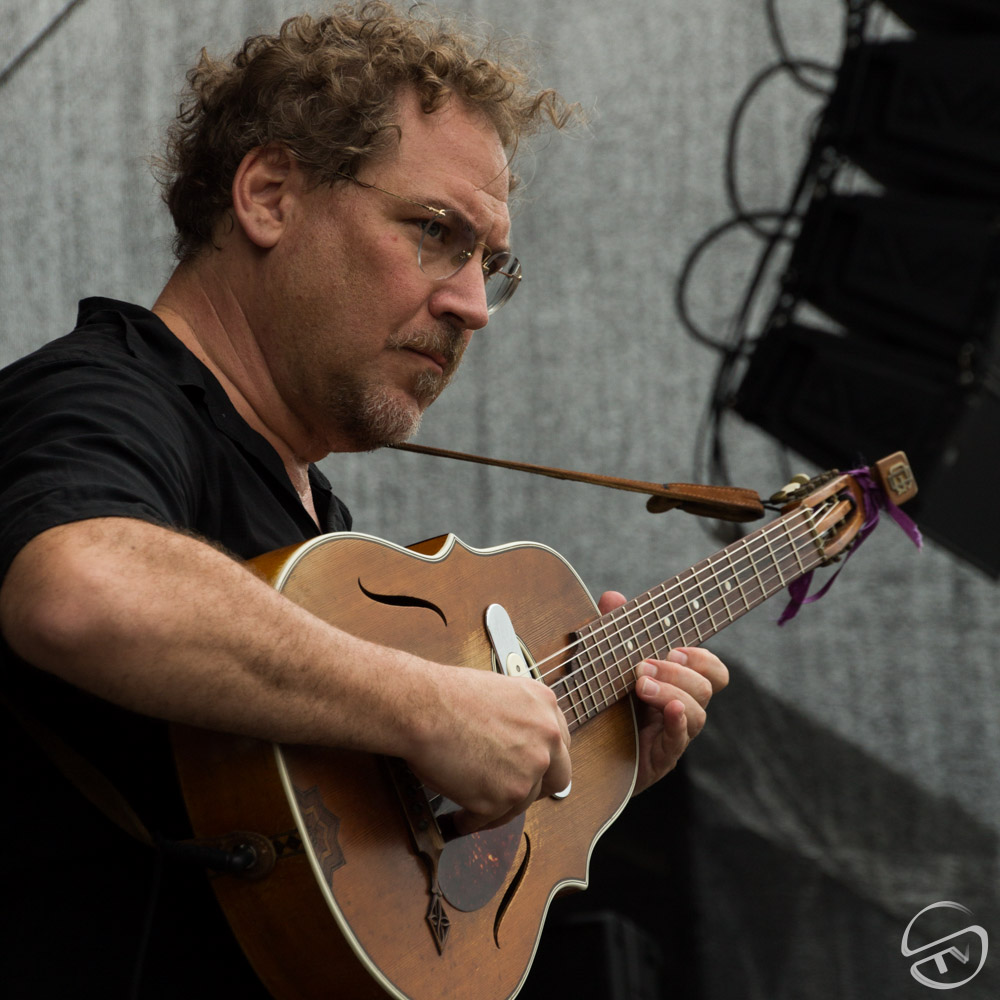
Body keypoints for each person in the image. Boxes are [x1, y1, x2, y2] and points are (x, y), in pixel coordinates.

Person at [0, 2, 728, 995]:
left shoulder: (322, 537)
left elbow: (364, 871)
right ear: (269, 196)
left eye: (489, 264)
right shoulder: (107, 395)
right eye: (435, 232)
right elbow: (79, 589)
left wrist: (578, 768)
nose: (472, 304)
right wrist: (431, 706)